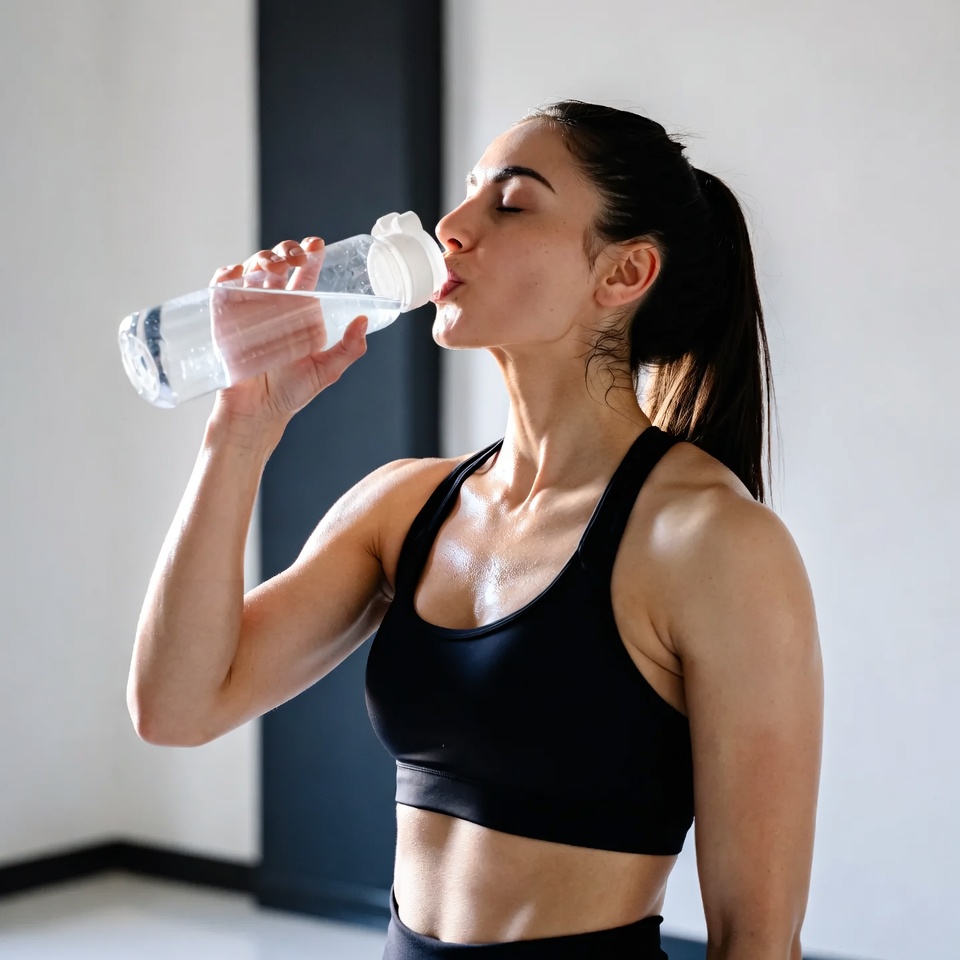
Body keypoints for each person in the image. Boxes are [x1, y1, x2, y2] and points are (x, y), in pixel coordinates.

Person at [127, 100, 823, 959]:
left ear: (624, 273)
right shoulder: (406, 506)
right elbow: (176, 707)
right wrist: (242, 426)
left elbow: (756, 937)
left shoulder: (710, 542)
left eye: (512, 202)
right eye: (464, 196)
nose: (451, 228)